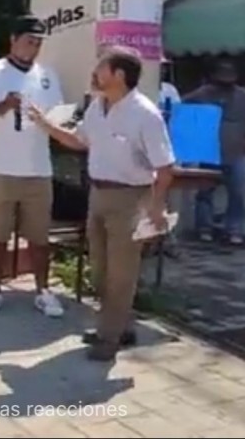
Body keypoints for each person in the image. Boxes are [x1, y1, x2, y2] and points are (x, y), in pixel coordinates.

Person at [30, 48, 175, 361]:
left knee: (121, 274)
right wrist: (46, 125)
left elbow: (165, 168)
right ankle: (123, 327)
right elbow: (79, 140)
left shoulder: (145, 114)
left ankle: (109, 338)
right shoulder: (98, 106)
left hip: (130, 199)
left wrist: (156, 207)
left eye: (100, 69)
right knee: (100, 271)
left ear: (119, 75)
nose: (94, 74)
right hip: (97, 195)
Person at [0, 15, 64, 318]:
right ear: (13, 39)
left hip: (39, 168)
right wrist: (5, 105)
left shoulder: (48, 75)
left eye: (38, 43)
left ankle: (43, 290)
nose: (33, 47)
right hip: (1, 166)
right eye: (29, 41)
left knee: (40, 235)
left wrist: (51, 121)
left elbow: (60, 118)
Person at [184, 58, 245, 245]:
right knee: (205, 192)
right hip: (209, 150)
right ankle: (205, 227)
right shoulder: (205, 93)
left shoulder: (242, 95)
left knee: (238, 193)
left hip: (236, 151)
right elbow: (183, 104)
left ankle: (233, 229)